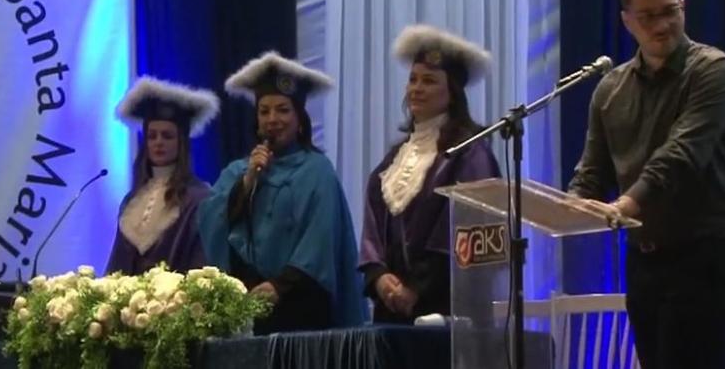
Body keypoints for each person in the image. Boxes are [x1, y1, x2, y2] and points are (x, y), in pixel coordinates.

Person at [568, 0, 725, 369]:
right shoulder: (611, 88)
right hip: (644, 259)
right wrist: (571, 205)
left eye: (670, 11)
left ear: (683, 6)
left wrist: (625, 205)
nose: (663, 25)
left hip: (702, 256)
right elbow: (592, 170)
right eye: (648, 16)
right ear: (627, 21)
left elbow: (681, 154)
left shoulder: (715, 71)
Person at [197, 51, 365, 334]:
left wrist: (279, 285)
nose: (272, 119)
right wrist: (248, 182)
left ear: (300, 119)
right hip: (247, 307)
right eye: (264, 111)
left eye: (283, 110)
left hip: (299, 306)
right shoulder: (238, 171)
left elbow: (319, 241)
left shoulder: (317, 170)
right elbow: (210, 220)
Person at [358, 25, 501, 323]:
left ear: (452, 93)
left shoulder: (470, 152)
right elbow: (374, 228)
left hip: (448, 310)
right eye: (413, 79)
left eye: (429, 81)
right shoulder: (392, 161)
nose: (417, 88)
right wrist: (380, 277)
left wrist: (416, 288)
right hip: (393, 310)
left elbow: (466, 230)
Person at [106, 76, 220, 275]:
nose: (158, 142)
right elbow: (116, 266)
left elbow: (201, 265)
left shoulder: (199, 198)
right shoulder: (131, 201)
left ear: (181, 142)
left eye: (167, 136)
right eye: (152, 136)